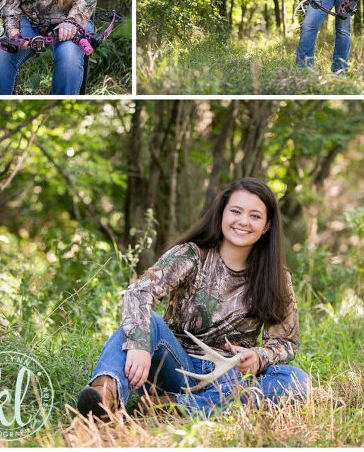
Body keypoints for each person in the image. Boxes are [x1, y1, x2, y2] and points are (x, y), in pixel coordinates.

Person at [76, 178, 309, 418]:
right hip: (176, 368)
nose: (243, 221)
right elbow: (140, 292)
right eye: (236, 211)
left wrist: (259, 358)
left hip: (229, 378)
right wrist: (139, 344)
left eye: (255, 216)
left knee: (296, 380)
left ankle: (176, 405)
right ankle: (104, 396)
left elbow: (285, 342)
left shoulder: (276, 278)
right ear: (222, 214)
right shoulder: (191, 255)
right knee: (149, 322)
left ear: (267, 225)